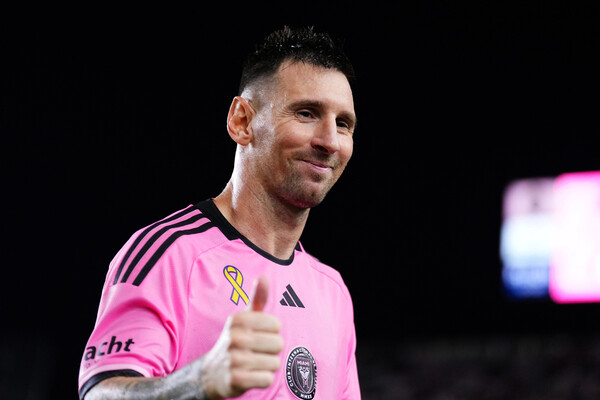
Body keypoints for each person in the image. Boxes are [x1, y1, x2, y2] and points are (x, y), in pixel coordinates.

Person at [78, 26, 360, 400]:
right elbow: (99, 393)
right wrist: (199, 381)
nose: (330, 141)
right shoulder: (169, 255)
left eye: (343, 124)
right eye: (306, 113)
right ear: (242, 121)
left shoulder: (332, 292)